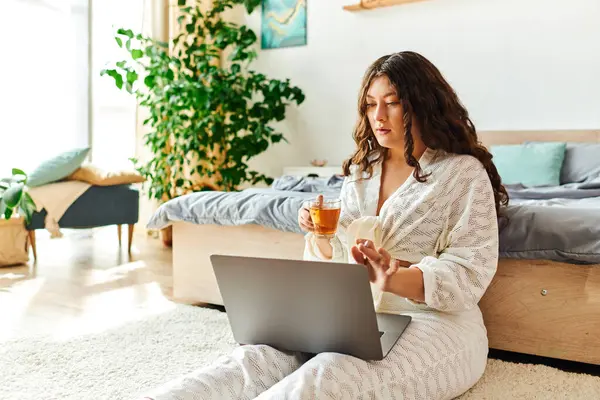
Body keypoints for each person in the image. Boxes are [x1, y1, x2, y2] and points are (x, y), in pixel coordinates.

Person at [143, 51, 508, 400]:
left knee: (326, 378)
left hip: (433, 323)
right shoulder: (362, 173)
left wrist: (392, 277)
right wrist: (321, 237)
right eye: (369, 104)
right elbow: (336, 261)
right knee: (254, 361)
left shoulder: (462, 174)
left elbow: (469, 271)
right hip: (348, 316)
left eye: (392, 102)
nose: (378, 115)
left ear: (423, 104)